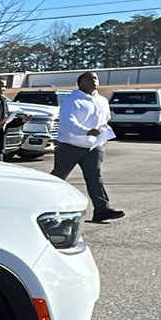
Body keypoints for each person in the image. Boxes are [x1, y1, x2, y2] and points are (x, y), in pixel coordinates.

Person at [53, 71, 124, 222]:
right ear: (80, 83)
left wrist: (101, 135)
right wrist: (86, 131)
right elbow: (68, 122)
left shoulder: (102, 101)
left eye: (95, 78)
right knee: (58, 177)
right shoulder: (72, 101)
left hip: (93, 147)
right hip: (69, 145)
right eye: (89, 79)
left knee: (95, 178)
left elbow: (105, 119)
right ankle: (43, 204)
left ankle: (102, 209)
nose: (94, 81)